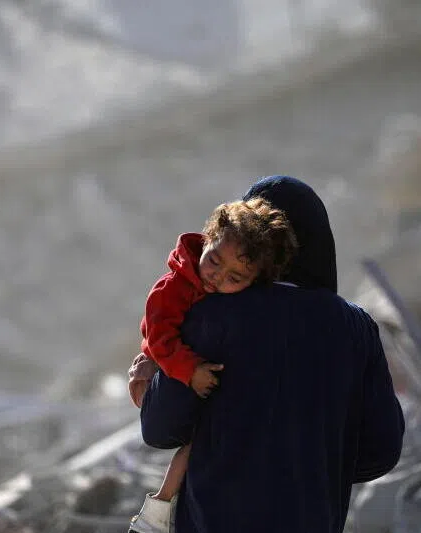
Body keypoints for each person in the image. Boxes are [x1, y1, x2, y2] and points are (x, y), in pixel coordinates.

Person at [137, 175, 405, 533]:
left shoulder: (213, 315)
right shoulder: (356, 329)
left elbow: (161, 428)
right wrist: (306, 462)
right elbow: (381, 451)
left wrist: (147, 383)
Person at [128, 197, 299, 533]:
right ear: (206, 239)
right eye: (214, 262)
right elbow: (160, 340)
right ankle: (158, 510)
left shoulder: (235, 301)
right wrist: (190, 370)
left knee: (200, 445)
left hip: (187, 380)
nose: (218, 278)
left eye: (235, 277)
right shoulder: (172, 288)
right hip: (157, 375)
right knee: (201, 441)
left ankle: (158, 512)